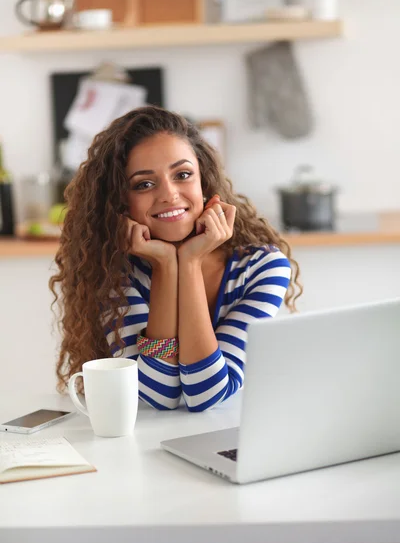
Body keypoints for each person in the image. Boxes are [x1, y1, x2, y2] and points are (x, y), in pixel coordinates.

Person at [50, 105, 302, 412]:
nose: (169, 195)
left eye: (182, 175)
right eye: (144, 184)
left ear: (204, 183)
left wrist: (191, 262)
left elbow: (205, 395)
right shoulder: (114, 271)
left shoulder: (262, 268)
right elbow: (159, 395)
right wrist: (167, 266)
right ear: (121, 201)